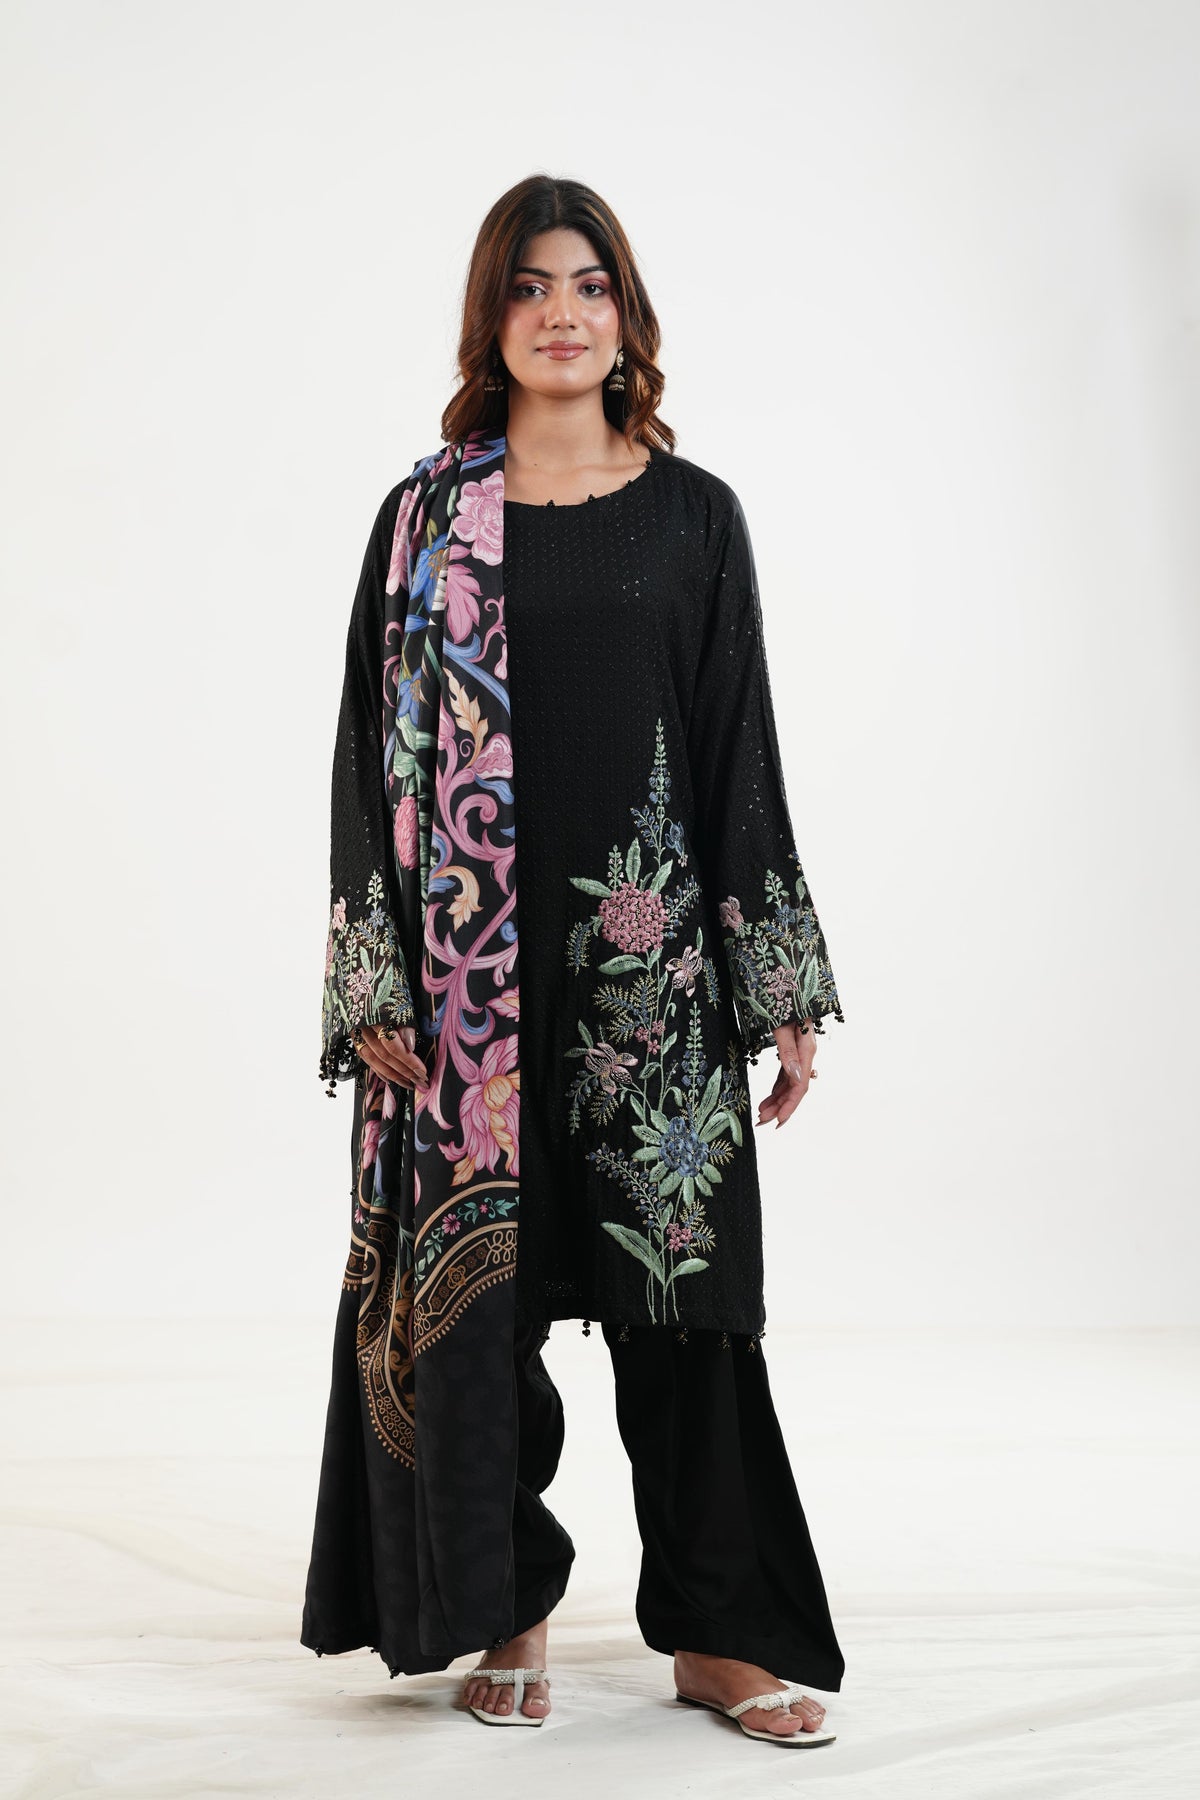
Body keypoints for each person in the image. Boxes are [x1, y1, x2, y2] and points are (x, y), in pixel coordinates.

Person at [301, 173, 847, 1748]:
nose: (561, 312)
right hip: (463, 996)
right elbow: (364, 757)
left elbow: (738, 755)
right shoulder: (423, 521)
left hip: (647, 984)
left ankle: (721, 1635)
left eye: (590, 284)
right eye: (531, 285)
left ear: (627, 314)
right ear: (492, 315)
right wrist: (374, 978)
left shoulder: (693, 516)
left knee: (693, 1313)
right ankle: (508, 1601)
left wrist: (778, 985)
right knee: (490, 1305)